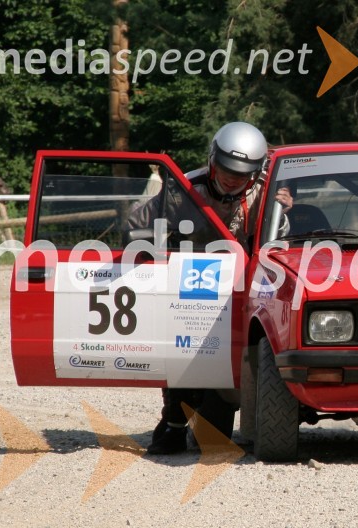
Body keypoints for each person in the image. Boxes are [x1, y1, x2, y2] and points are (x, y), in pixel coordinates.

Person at [129, 121, 293, 455]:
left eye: (243, 172)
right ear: (212, 160)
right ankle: (173, 421)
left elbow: (283, 245)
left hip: (246, 288)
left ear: (257, 170)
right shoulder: (185, 186)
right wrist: (150, 232)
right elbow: (135, 223)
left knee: (214, 435)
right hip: (192, 285)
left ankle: (226, 413)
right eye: (226, 169)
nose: (233, 177)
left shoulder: (269, 191)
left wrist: (284, 211)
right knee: (183, 351)